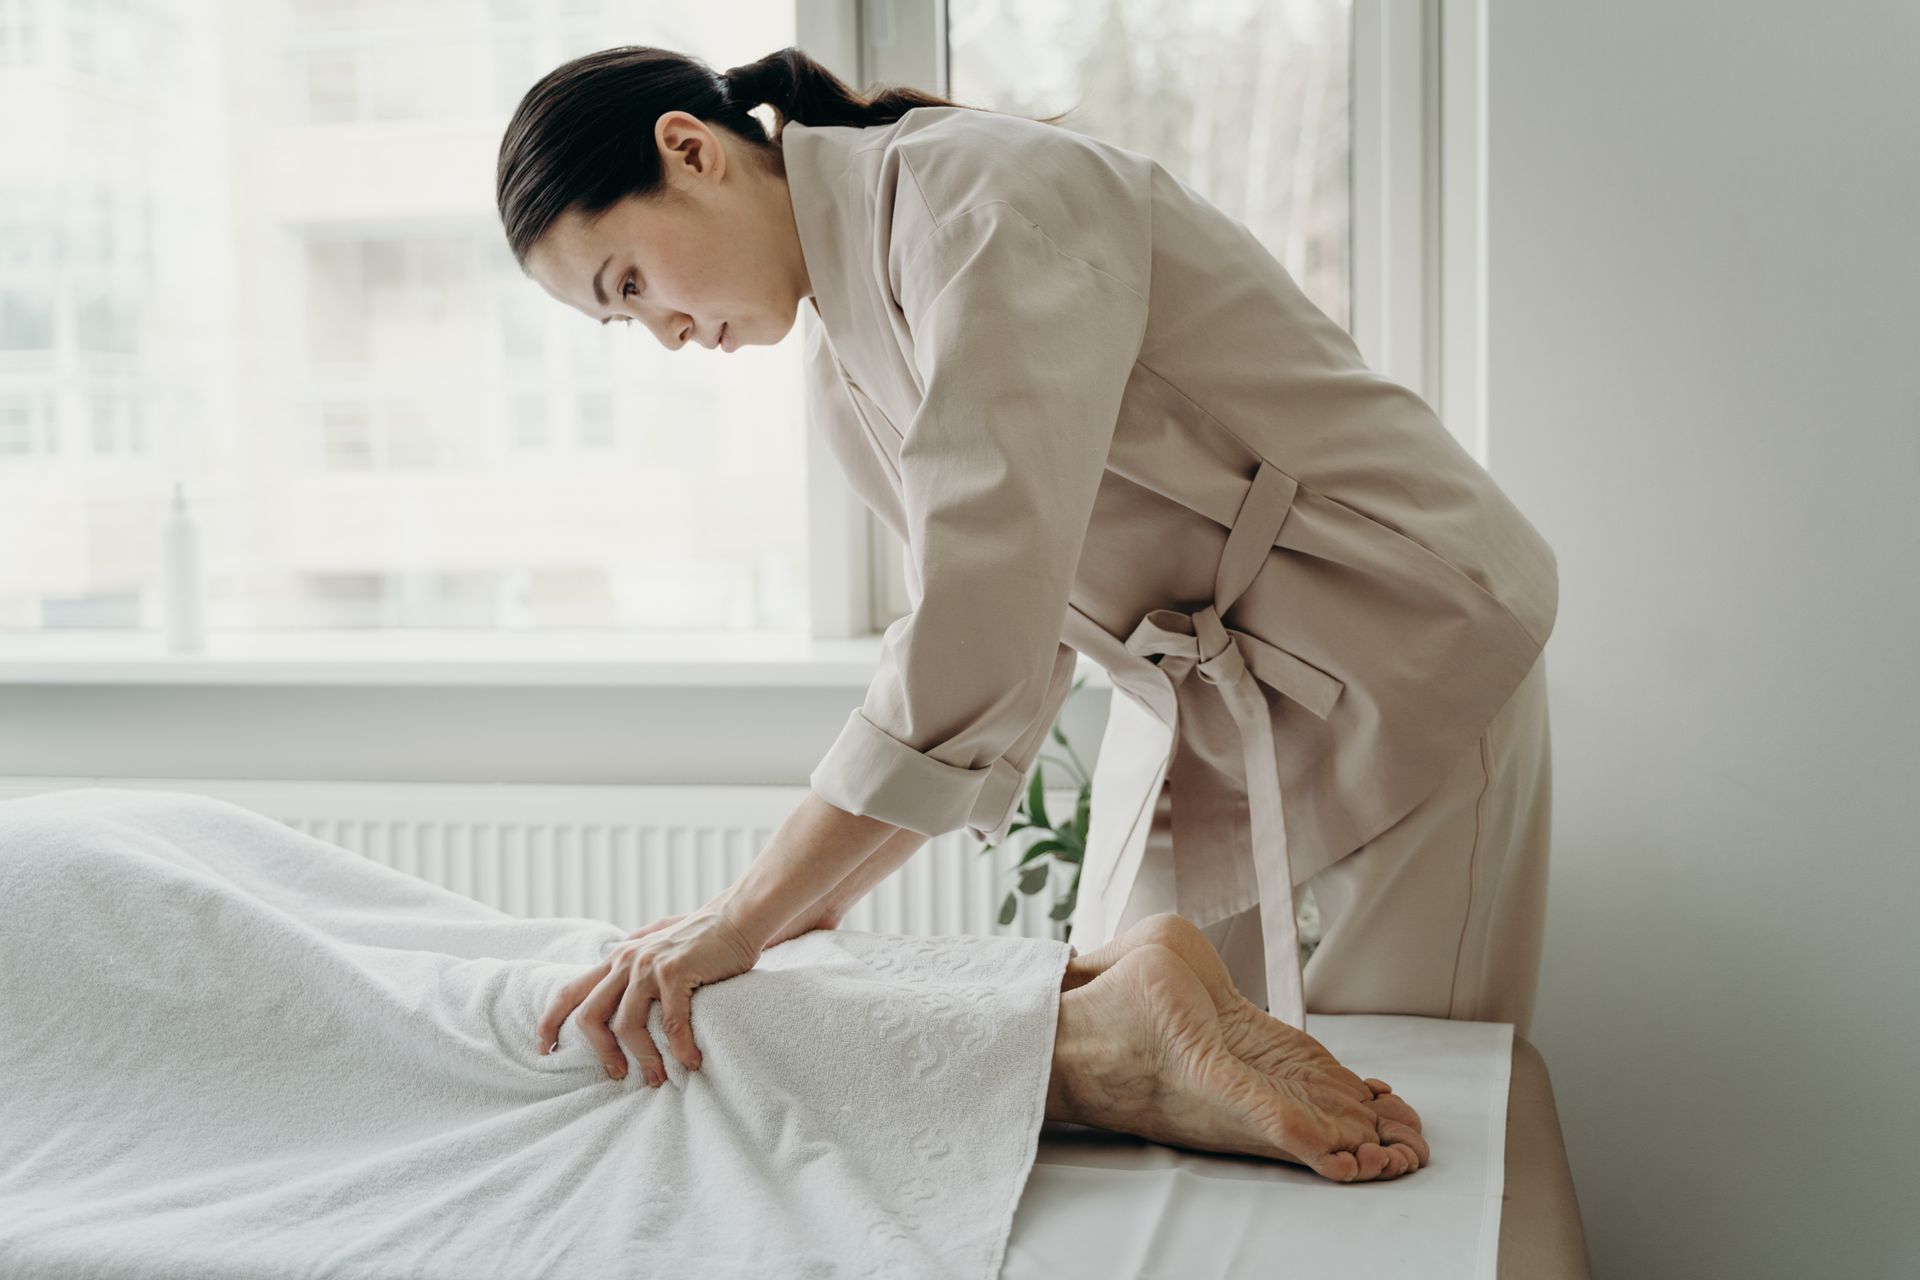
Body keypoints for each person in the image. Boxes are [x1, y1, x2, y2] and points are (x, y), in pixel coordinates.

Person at [494, 43, 1558, 1084]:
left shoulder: (974, 202)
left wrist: (741, 917)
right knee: (1146, 1064)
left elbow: (977, 625)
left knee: (1416, 1091)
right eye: (623, 318)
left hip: (1401, 638)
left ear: (690, 150)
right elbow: (1013, 653)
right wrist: (802, 907)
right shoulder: (844, 376)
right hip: (1202, 711)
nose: (665, 333)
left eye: (632, 280)